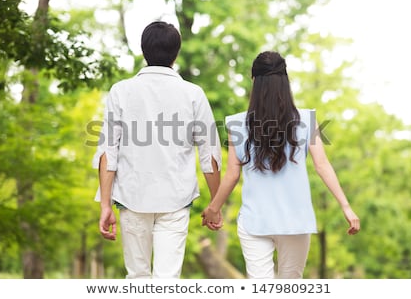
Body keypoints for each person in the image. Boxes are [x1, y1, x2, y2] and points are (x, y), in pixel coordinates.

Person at [201, 51, 360, 279]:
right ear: (285, 82)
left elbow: (232, 175)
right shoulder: (306, 120)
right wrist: (345, 206)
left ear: (254, 81)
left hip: (255, 221)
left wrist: (213, 208)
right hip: (295, 221)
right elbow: (322, 165)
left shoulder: (237, 123)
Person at [93, 21, 222, 279]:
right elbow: (210, 156)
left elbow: (109, 151)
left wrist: (105, 204)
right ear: (176, 54)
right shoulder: (193, 94)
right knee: (168, 280)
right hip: (176, 199)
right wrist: (215, 204)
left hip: (131, 197)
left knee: (137, 278)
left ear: (144, 51)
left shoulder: (121, 91)